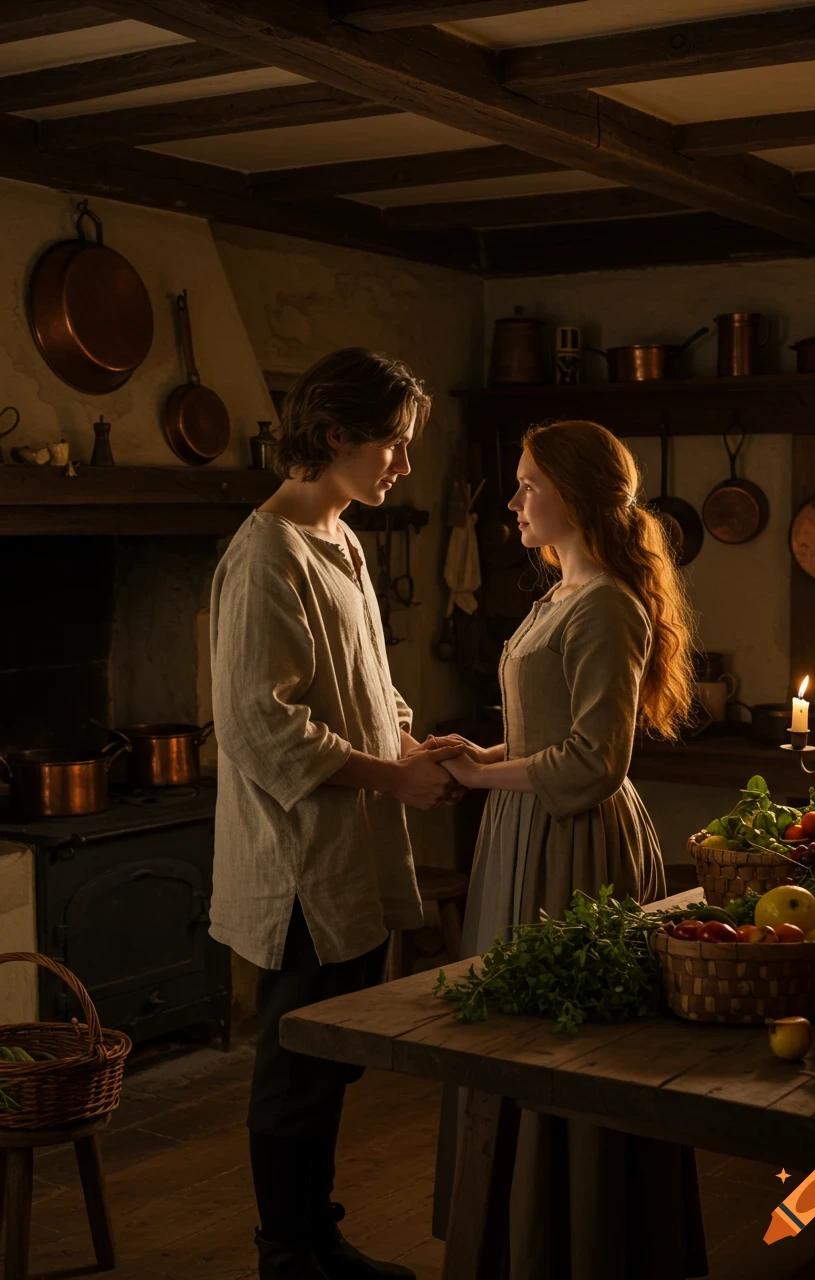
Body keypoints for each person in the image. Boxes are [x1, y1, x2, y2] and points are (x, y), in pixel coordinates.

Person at [426, 419, 708, 1280]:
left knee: (564, 1044)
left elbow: (595, 761)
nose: (512, 500)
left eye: (527, 485)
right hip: (526, 829)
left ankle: (583, 1237)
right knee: (511, 1030)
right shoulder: (557, 594)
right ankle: (516, 1232)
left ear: (575, 497)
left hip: (575, 844)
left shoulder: (610, 606)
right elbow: (548, 735)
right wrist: (484, 758)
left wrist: (481, 783)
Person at [208, 348, 464, 1280]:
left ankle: (318, 1237)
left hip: (348, 845)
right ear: (332, 435)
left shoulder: (345, 539)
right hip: (298, 865)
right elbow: (255, 723)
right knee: (292, 1069)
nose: (402, 462)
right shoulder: (265, 554)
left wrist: (407, 745)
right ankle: (287, 1255)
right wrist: (389, 780)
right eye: (392, 443)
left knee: (326, 1063)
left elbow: (366, 684)